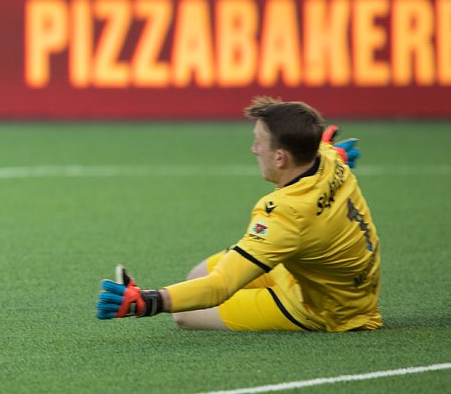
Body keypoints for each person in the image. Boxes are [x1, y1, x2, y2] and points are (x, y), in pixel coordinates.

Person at [96, 96, 378, 332]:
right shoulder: (327, 157)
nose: (254, 149)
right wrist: (337, 154)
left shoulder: (285, 213)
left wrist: (148, 301)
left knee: (184, 315)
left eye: (259, 143)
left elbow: (220, 286)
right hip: (323, 273)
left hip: (329, 308)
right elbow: (327, 151)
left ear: (280, 157)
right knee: (197, 275)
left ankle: (291, 308)